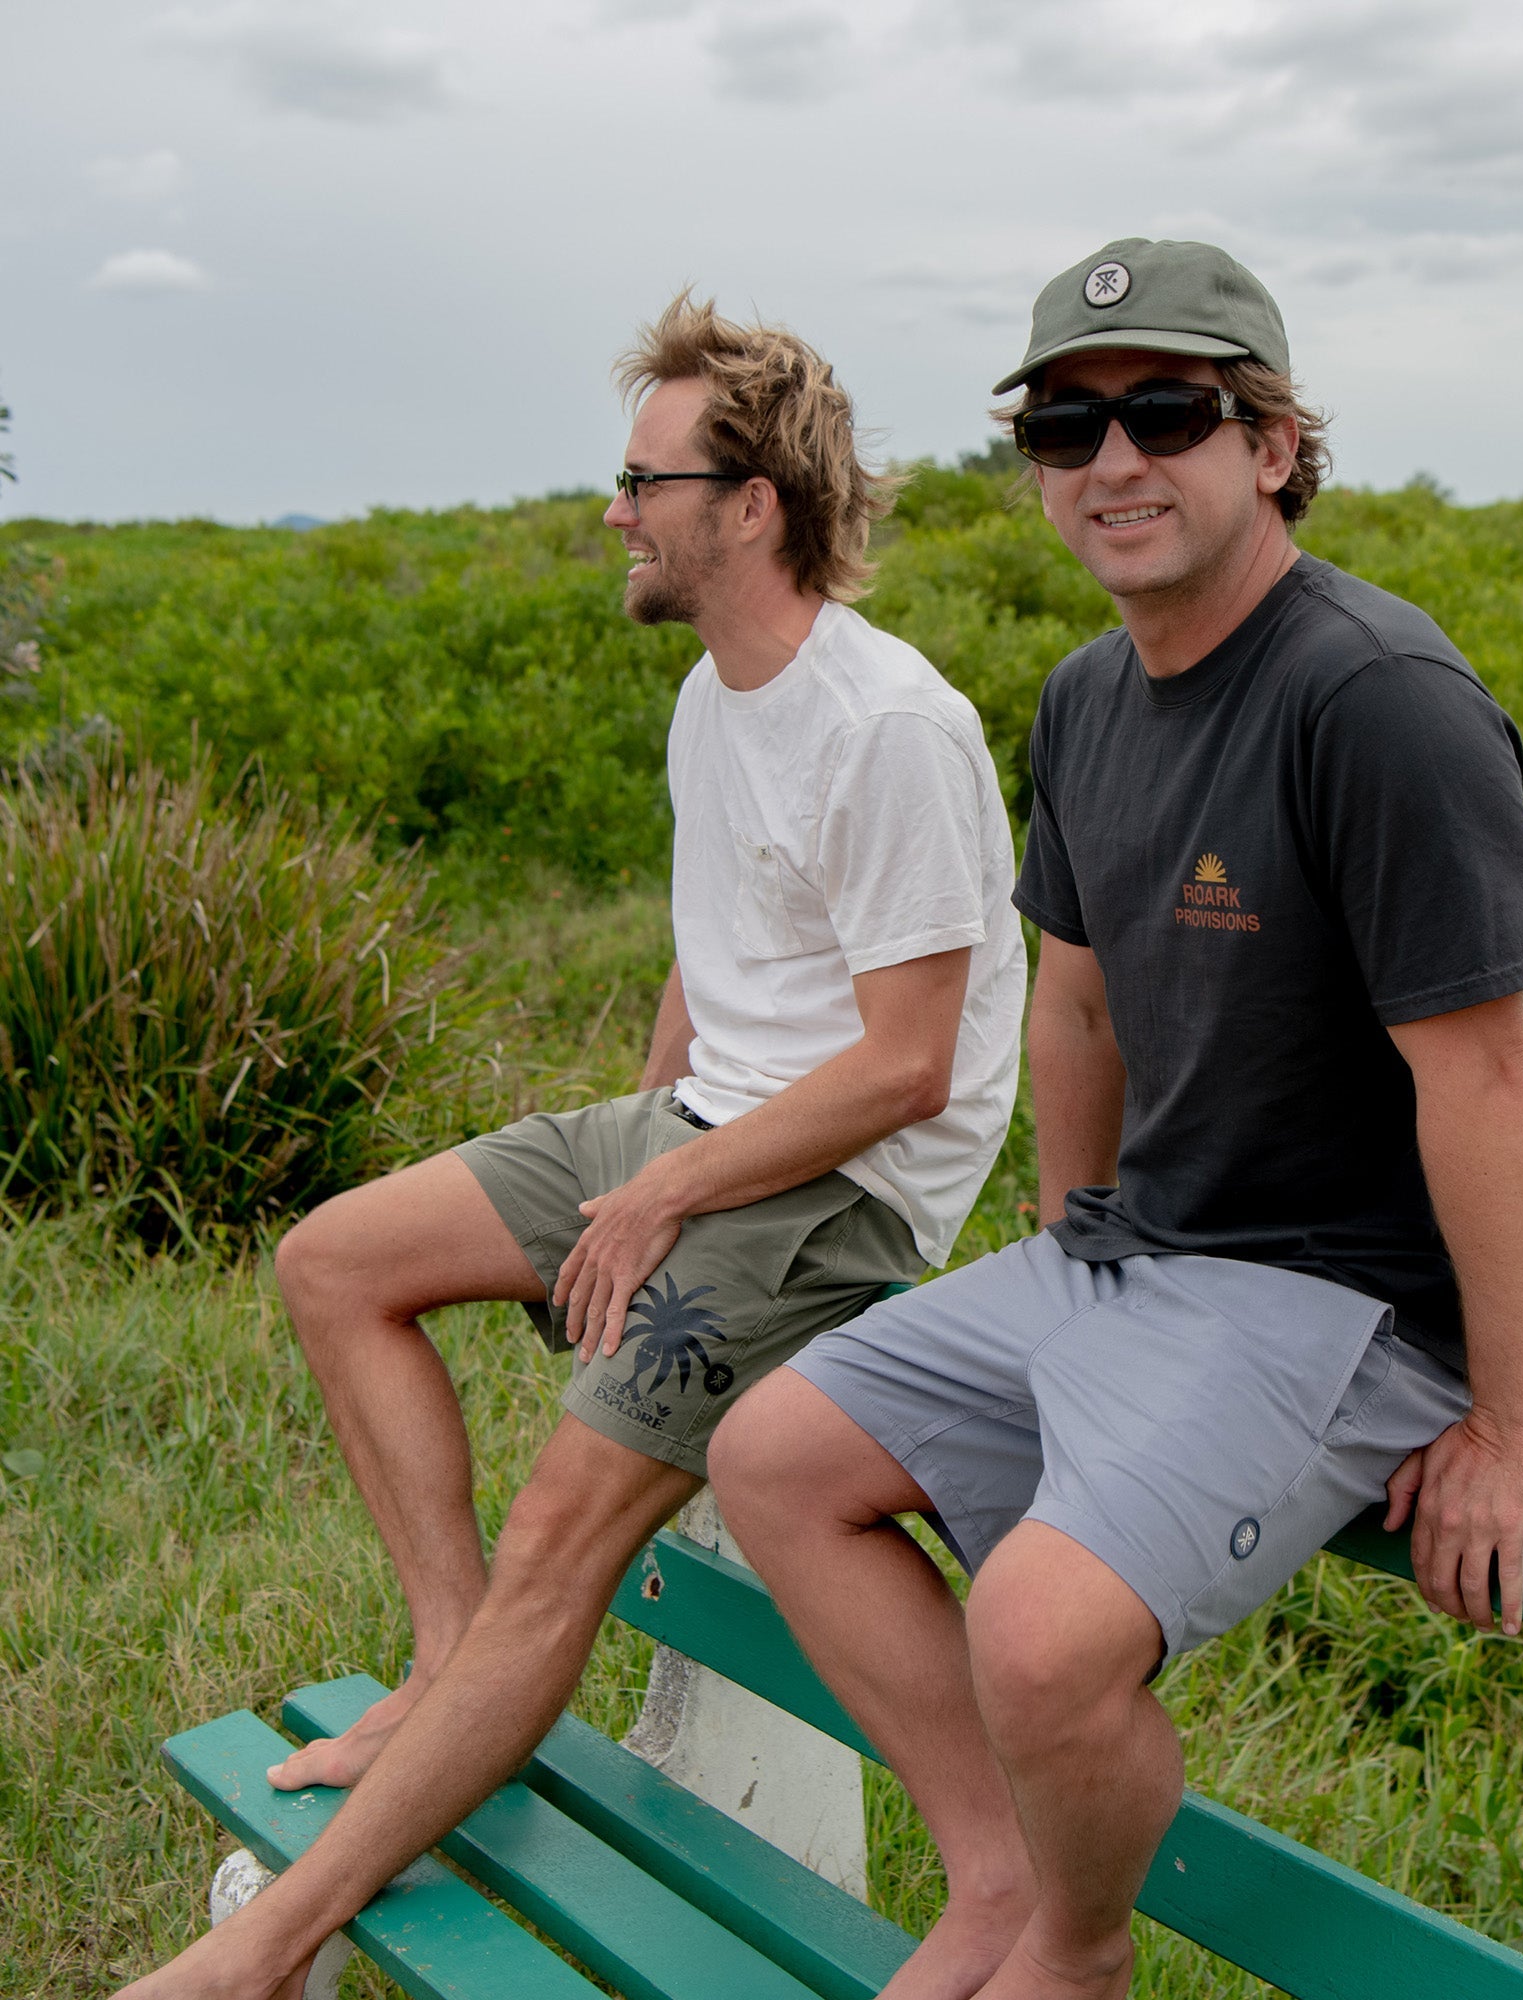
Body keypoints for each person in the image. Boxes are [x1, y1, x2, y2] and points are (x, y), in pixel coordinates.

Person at [120, 293, 1027, 1999]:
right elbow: (715, 958)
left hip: (835, 1194)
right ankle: (449, 1665)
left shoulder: (890, 728)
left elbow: (908, 1070)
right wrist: (627, 1163)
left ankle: (267, 1946)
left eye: (642, 481)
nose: (614, 512)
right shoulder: (713, 697)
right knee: (333, 1263)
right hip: (704, 1128)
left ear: (749, 505)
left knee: (559, 1540)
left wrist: (667, 1193)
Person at [711, 237, 1523, 2000]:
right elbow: (1080, 1000)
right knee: (773, 1457)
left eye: (1168, 413)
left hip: (1338, 1298)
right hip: (1141, 1256)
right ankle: (1001, 1878)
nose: (1113, 460)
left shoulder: (1377, 702)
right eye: (1065, 427)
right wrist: (1065, 1244)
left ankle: (1075, 1954)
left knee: (1037, 1640)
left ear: (1273, 444)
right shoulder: (1088, 699)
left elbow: (1482, 1077)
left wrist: (1509, 1417)